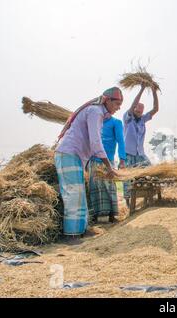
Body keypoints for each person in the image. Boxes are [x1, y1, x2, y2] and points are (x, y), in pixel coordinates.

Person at [55, 87, 122, 240]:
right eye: (117, 104)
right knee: (73, 194)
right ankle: (72, 234)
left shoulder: (98, 113)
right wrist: (108, 166)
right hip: (68, 153)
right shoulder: (95, 112)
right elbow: (96, 142)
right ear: (108, 100)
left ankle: (83, 229)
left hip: (75, 155)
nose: (118, 108)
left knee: (80, 195)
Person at [123, 84, 159, 207]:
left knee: (151, 172)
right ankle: (129, 203)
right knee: (128, 178)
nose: (139, 112)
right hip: (128, 153)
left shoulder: (143, 120)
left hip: (140, 153)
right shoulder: (127, 118)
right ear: (134, 109)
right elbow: (133, 105)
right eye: (137, 110)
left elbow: (155, 109)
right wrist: (142, 89)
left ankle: (149, 197)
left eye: (141, 111)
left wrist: (154, 91)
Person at [88, 115, 126, 224]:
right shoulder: (96, 122)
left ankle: (112, 215)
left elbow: (121, 141)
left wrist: (122, 160)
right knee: (94, 187)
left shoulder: (116, 122)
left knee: (109, 187)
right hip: (94, 160)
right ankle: (95, 215)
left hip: (108, 161)